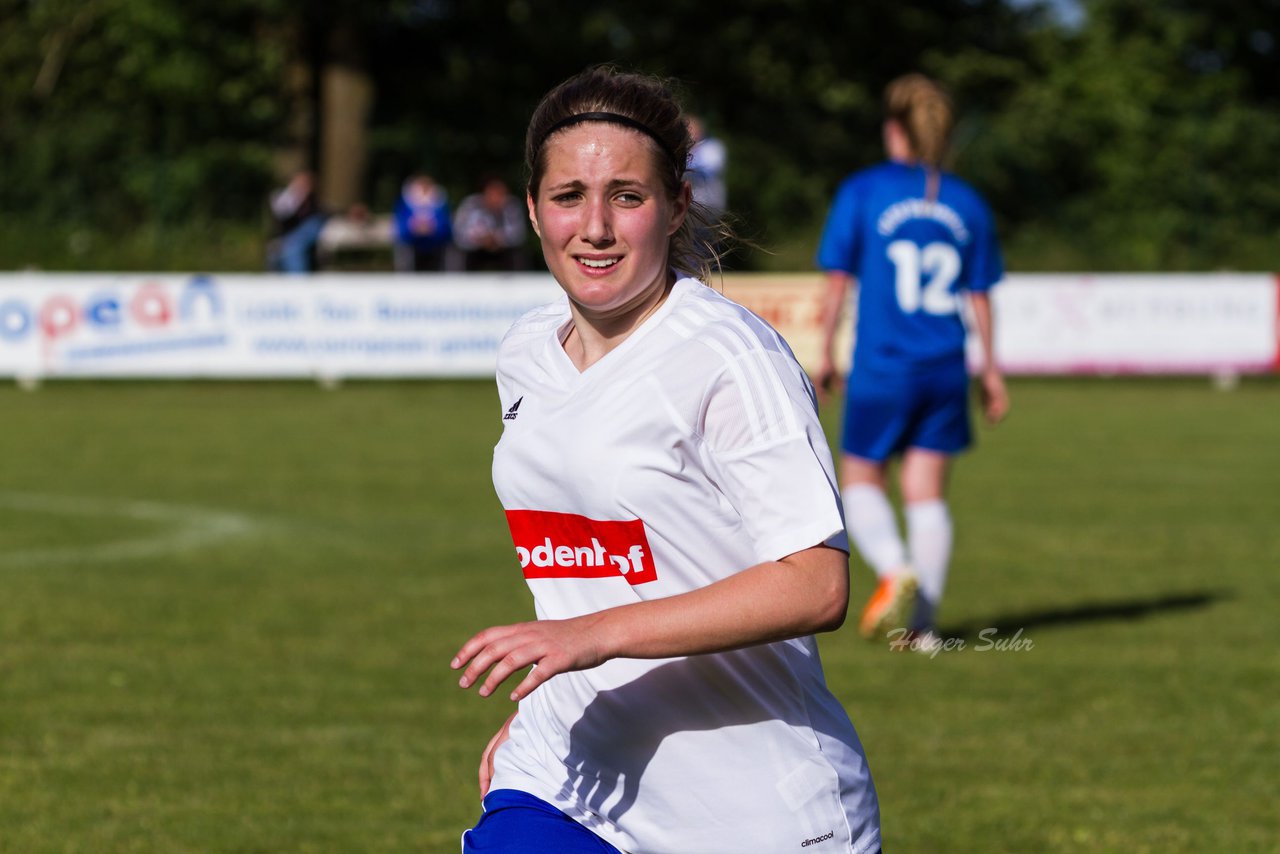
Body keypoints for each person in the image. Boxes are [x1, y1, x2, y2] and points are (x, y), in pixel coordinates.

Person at [451, 66, 881, 854]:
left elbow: (817, 582)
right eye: (568, 196)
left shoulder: (729, 357)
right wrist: (562, 690)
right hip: (571, 779)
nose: (595, 228)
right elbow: (583, 554)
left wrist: (591, 638)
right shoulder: (524, 352)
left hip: (751, 813)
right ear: (533, 211)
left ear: (678, 204)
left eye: (627, 196)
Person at [814, 73, 1010, 648]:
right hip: (946, 365)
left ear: (893, 129)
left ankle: (897, 571)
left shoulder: (864, 190)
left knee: (859, 482)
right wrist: (992, 369)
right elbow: (979, 294)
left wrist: (825, 352)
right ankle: (921, 628)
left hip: (882, 364)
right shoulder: (966, 201)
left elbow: (837, 282)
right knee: (927, 493)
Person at [453, 175, 527, 272]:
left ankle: (517, 282)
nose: (496, 198)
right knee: (459, 254)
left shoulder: (512, 206)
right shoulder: (470, 205)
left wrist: (498, 239)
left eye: (500, 194)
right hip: (475, 249)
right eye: (492, 194)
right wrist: (480, 239)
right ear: (484, 194)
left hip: (503, 248)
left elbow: (519, 234)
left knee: (517, 254)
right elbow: (459, 233)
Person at [267, 170, 327, 274]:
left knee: (293, 250)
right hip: (286, 237)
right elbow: (282, 212)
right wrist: (297, 195)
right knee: (284, 251)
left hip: (300, 240)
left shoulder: (313, 202)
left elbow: (325, 213)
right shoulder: (282, 196)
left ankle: (298, 284)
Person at [392, 173, 453, 271]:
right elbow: (401, 230)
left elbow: (446, 228)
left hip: (436, 245)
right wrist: (414, 229)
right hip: (412, 245)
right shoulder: (404, 203)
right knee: (404, 249)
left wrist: (433, 229)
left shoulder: (441, 203)